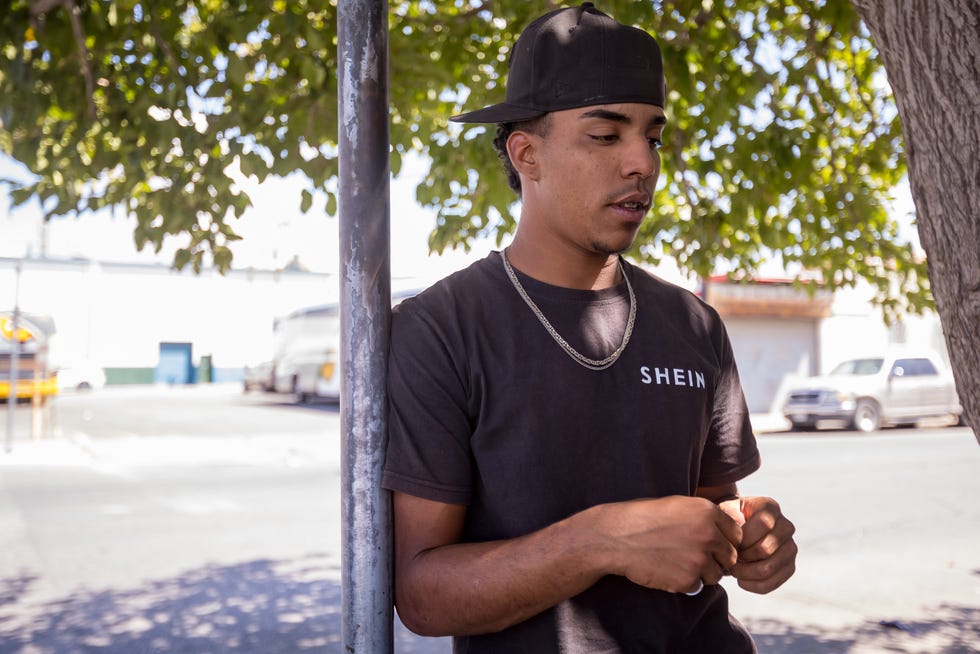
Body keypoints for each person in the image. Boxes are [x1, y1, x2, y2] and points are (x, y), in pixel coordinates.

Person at [381, 3, 797, 652]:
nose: (643, 163)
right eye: (606, 136)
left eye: (652, 136)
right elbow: (422, 594)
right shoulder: (439, 330)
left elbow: (714, 507)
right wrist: (601, 540)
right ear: (526, 154)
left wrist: (750, 535)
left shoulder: (694, 323)